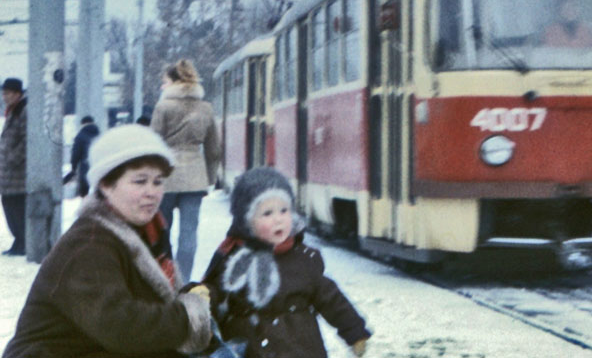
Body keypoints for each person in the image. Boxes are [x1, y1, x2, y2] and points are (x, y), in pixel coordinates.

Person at [2, 124, 212, 357]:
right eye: (140, 181)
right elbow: (121, 327)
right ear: (106, 185)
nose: (152, 192)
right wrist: (188, 319)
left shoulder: (147, 232)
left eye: (158, 181)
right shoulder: (89, 244)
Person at [200, 166, 371, 358]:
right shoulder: (233, 260)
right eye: (267, 214)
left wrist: (354, 332)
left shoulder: (305, 260)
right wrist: (203, 296)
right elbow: (215, 292)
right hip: (250, 350)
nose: (278, 220)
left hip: (301, 349)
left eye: (284, 210)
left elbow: (331, 298)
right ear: (246, 222)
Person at [152, 58, 222, 280]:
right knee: (189, 234)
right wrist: (209, 178)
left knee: (162, 232)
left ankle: (165, 278)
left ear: (174, 81)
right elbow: (214, 149)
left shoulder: (163, 107)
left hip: (166, 176)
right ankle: (184, 280)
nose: (163, 86)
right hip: (194, 178)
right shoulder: (206, 108)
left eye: (165, 81)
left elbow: (153, 143)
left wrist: (150, 179)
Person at [0, 77, 27, 256]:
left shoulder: (24, 111)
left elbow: (27, 140)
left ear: (18, 94)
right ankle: (19, 241)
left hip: (18, 173)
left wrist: (11, 158)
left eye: (8, 93)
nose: (5, 97)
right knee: (9, 206)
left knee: (16, 208)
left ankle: (23, 242)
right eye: (3, 93)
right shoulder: (13, 111)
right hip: (9, 174)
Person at [68, 115, 100, 197]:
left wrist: (73, 167)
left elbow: (76, 153)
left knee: (84, 192)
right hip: (98, 166)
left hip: (85, 167)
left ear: (82, 124)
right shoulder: (99, 134)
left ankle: (85, 205)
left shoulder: (80, 136)